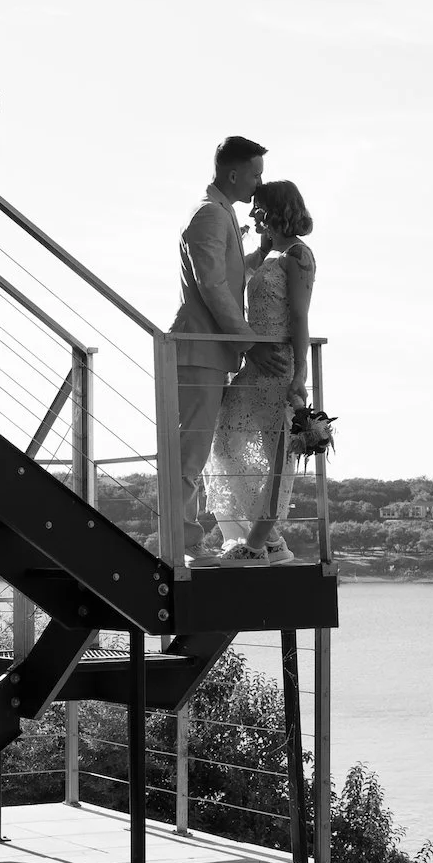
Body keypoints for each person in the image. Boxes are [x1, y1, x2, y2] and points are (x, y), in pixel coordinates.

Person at [203, 179, 316, 562]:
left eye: (259, 208)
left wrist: (300, 376)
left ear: (276, 209)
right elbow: (242, 281)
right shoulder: (269, 255)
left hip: (280, 368)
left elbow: (300, 317)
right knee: (223, 443)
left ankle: (257, 543)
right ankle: (267, 539)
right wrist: (260, 248)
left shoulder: (299, 256)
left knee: (277, 455)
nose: (252, 214)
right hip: (254, 366)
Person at [170, 135, 267, 560]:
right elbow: (211, 286)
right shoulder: (209, 215)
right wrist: (248, 339)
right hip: (199, 351)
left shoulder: (219, 214)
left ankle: (187, 542)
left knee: (197, 450)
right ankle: (184, 547)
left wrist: (258, 254)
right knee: (189, 454)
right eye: (255, 174)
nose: (258, 184)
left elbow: (223, 277)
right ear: (233, 173)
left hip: (208, 352)